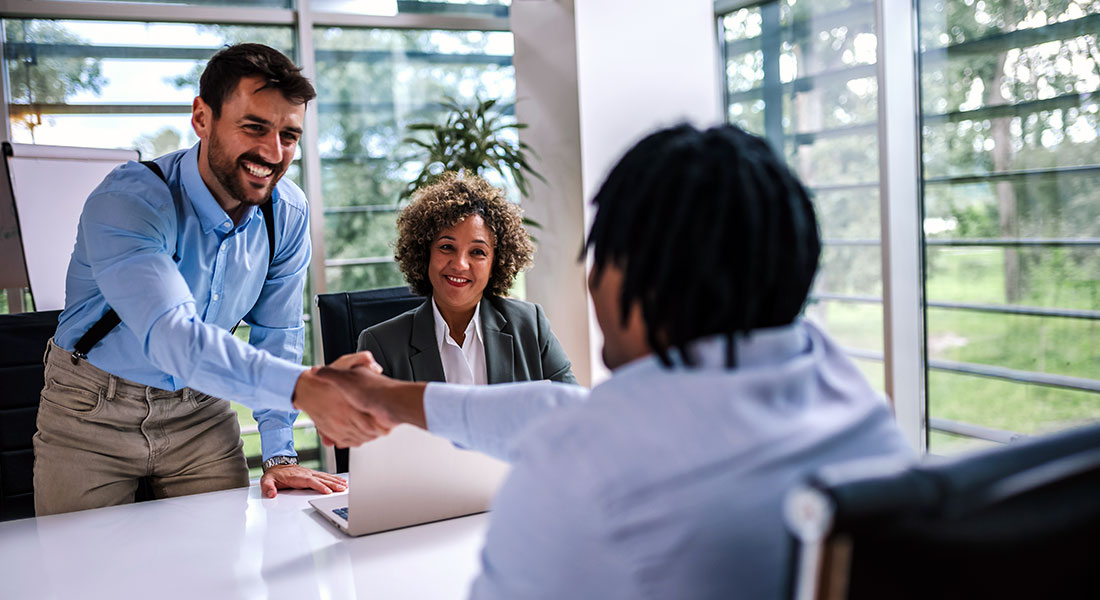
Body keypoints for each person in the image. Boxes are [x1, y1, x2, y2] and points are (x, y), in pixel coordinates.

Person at [319, 123, 914, 598]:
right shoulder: (857, 404)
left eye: (599, 254)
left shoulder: (573, 476)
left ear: (637, 281)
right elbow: (559, 412)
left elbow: (572, 432)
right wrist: (386, 395)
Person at [34, 43, 377, 516]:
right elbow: (173, 335)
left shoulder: (287, 213)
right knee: (78, 580)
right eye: (255, 127)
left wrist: (279, 451)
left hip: (201, 412)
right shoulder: (130, 201)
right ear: (202, 118)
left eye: (289, 136)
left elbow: (278, 333)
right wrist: (305, 386)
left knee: (221, 578)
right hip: (90, 411)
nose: (273, 153)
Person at [357, 172, 575, 386]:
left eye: (478, 252)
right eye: (446, 247)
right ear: (426, 254)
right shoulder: (382, 344)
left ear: (495, 263)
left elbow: (574, 409)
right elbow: (358, 420)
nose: (460, 264)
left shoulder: (530, 326)